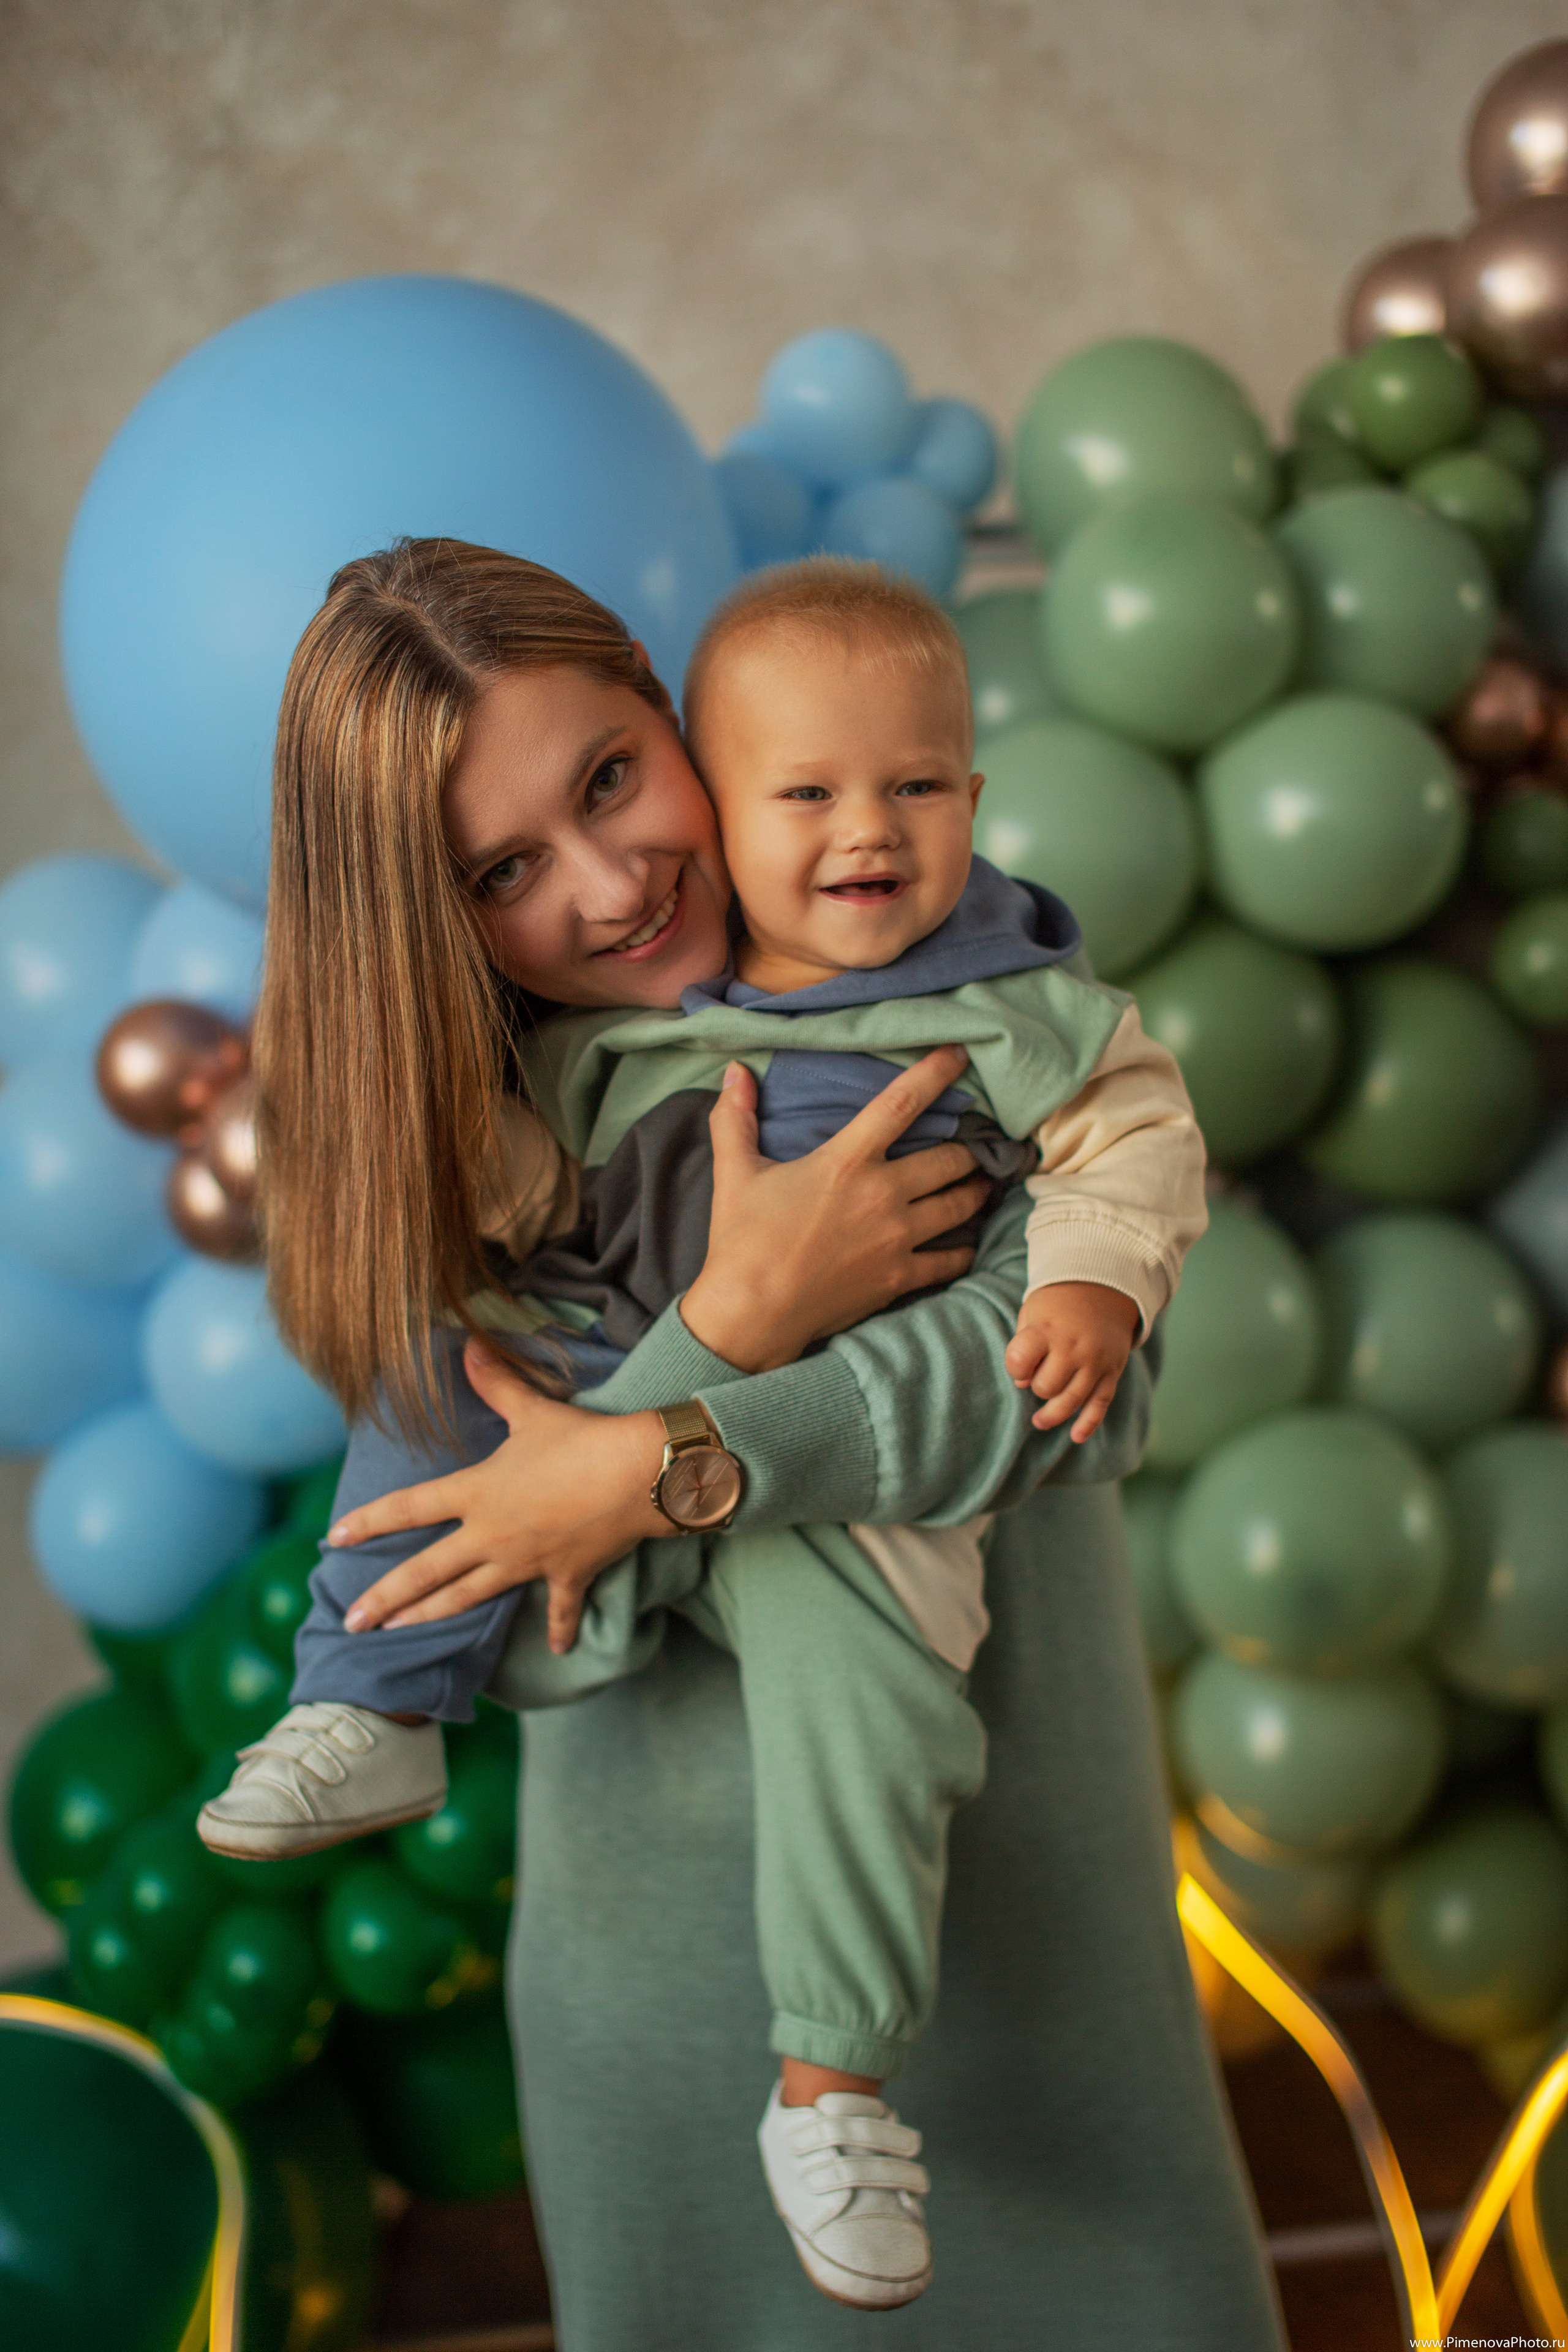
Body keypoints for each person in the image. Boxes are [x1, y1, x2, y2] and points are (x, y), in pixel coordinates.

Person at [203, 538, 1283, 2346]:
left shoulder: (950, 1013)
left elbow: (1046, 1403)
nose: (614, 881)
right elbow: (553, 1630)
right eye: (505, 870)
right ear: (430, 920)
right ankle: (352, 1715)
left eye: (611, 778)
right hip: (659, 1969)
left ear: (675, 708)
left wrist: (635, 1463)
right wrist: (731, 1327)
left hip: (1014, 1918)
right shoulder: (501, 1139)